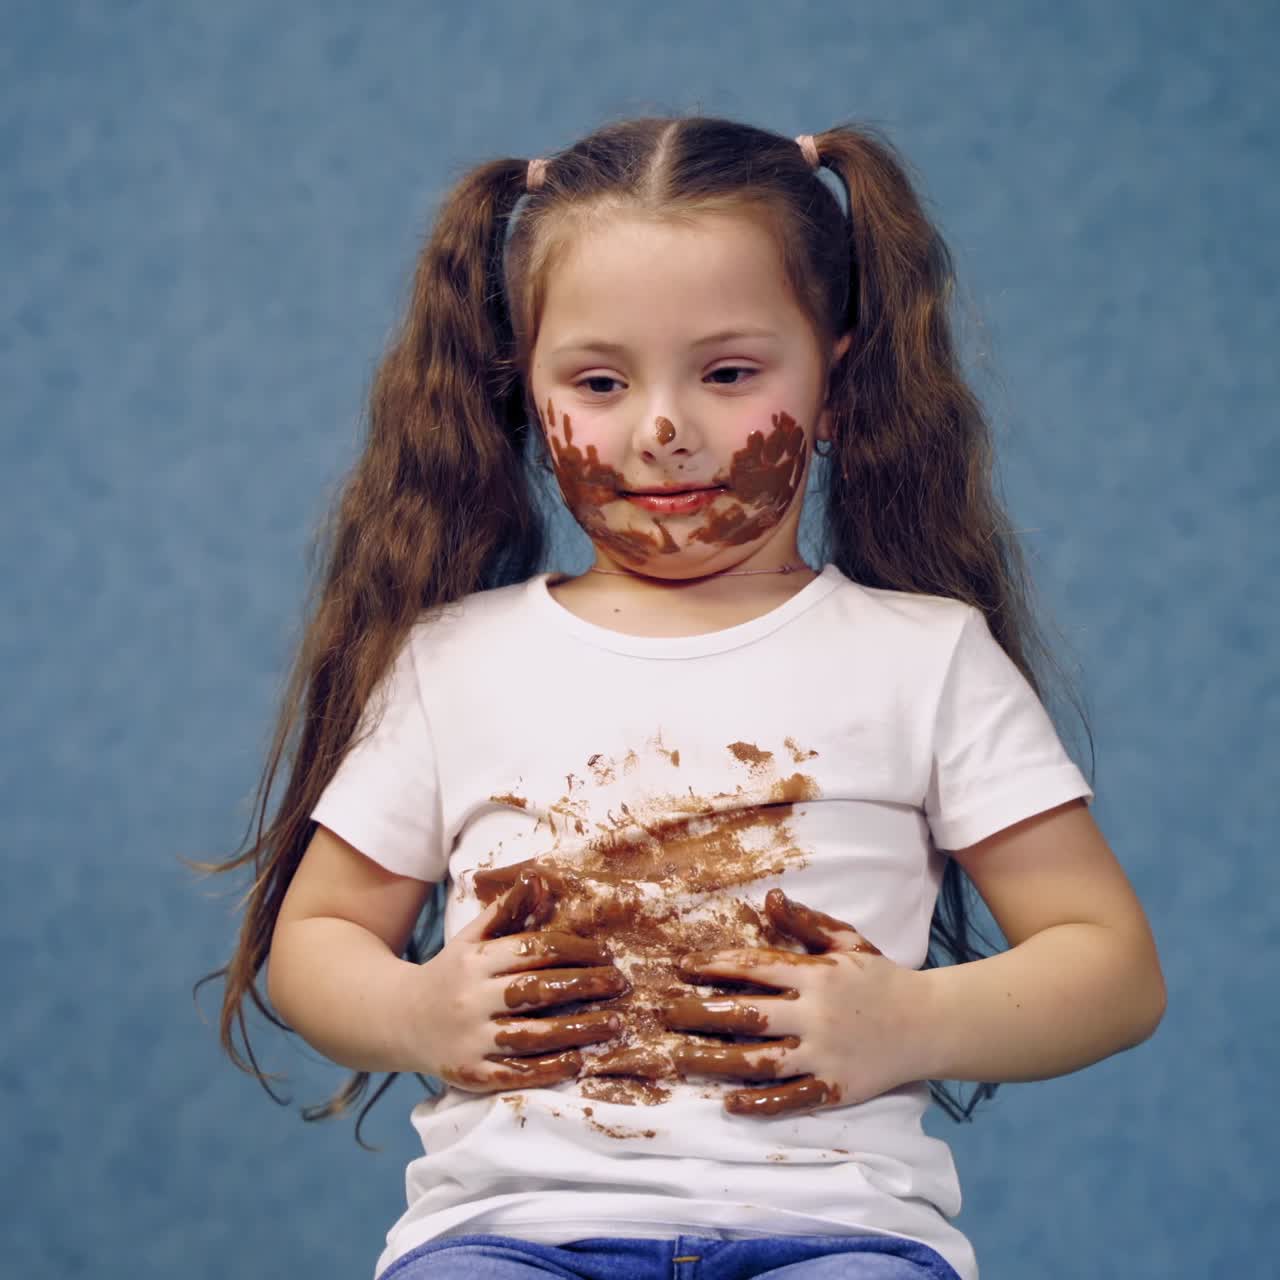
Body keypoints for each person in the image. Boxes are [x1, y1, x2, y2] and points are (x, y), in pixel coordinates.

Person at [201, 116, 1166, 1280]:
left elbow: (1108, 963)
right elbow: (317, 938)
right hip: (512, 1234)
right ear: (524, 393)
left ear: (836, 384)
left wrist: (910, 1021)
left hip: (836, 1233)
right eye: (599, 381)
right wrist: (418, 1013)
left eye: (726, 372)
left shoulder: (925, 656)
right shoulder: (451, 660)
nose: (662, 428)